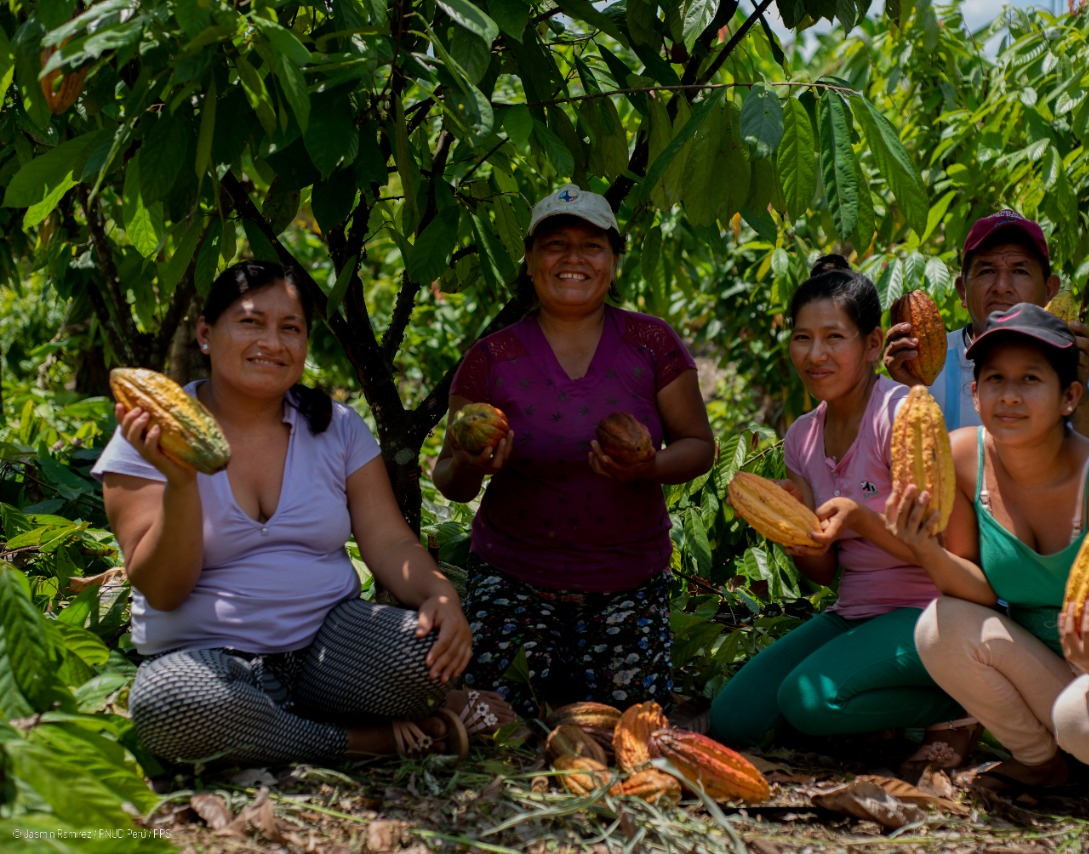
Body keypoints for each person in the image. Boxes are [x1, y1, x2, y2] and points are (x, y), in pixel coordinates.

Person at [95, 261, 511, 767]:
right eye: (251, 322)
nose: (273, 342)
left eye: (290, 328)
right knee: (170, 705)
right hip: (206, 661)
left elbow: (390, 544)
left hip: (329, 649)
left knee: (425, 659)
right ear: (206, 334)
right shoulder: (149, 436)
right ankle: (364, 742)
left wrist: (441, 597)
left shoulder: (335, 427)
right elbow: (163, 590)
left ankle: (284, 730)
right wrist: (182, 483)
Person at [886, 303, 1089, 833]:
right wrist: (926, 551)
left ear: (1069, 396)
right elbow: (973, 590)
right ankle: (1043, 765)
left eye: (1030, 379)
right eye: (994, 378)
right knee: (938, 626)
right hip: (1063, 654)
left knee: (1084, 725)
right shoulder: (960, 457)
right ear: (975, 395)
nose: (1010, 394)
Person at [431, 184, 715, 718]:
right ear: (532, 261)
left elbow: (699, 446)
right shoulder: (492, 357)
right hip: (514, 578)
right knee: (498, 719)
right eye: (556, 244)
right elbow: (449, 477)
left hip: (626, 576)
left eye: (592, 245)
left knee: (628, 725)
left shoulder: (652, 344)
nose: (573, 259)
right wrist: (473, 463)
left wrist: (649, 466)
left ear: (612, 262)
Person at [708, 257, 974, 766]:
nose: (815, 355)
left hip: (928, 612)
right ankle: (875, 713)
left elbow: (944, 551)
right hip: (852, 612)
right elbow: (824, 573)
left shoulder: (902, 414)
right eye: (802, 338)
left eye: (834, 338)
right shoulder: (802, 436)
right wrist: (799, 536)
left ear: (872, 345)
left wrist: (859, 517)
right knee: (733, 719)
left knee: (808, 700)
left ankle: (963, 701)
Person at [883, 209, 1089, 468]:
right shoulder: (921, 363)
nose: (1002, 286)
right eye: (986, 271)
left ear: (1049, 289)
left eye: (1019, 271)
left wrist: (1080, 394)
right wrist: (905, 393)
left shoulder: (1081, 361)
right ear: (962, 290)